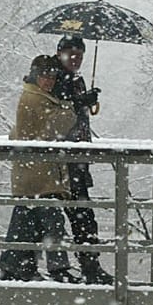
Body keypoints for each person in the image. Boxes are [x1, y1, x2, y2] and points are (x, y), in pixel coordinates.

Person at [0, 55, 81, 282]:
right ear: (36, 75)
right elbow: (51, 132)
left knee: (25, 222)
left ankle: (14, 265)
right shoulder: (35, 99)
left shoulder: (33, 96)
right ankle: (58, 269)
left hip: (32, 175)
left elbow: (16, 133)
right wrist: (71, 107)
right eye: (44, 76)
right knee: (52, 221)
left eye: (52, 76)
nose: (49, 81)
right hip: (41, 176)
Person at [46, 35, 116, 285]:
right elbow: (56, 114)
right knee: (66, 215)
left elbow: (76, 114)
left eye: (79, 56)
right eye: (70, 55)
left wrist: (87, 102)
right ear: (60, 53)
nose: (75, 60)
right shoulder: (52, 77)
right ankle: (68, 267)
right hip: (62, 160)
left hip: (77, 158)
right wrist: (80, 103)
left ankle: (88, 265)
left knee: (82, 215)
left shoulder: (76, 79)